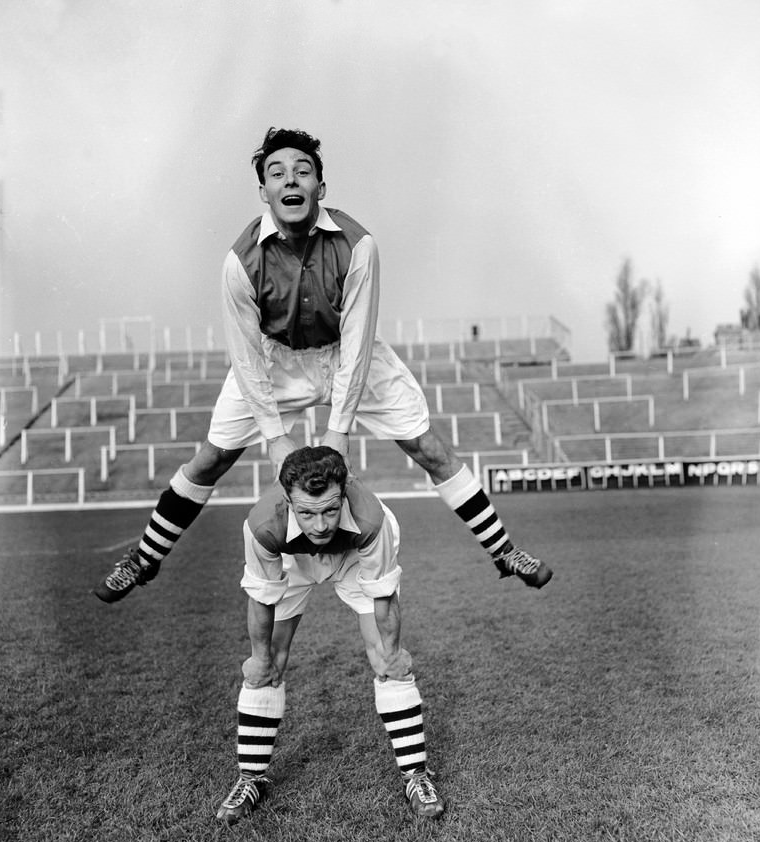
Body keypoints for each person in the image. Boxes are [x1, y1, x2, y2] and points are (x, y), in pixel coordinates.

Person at [94, 127, 553, 603]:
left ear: (320, 188)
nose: (290, 180)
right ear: (264, 193)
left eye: (302, 171)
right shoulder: (239, 261)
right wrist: (274, 436)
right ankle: (144, 559)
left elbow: (356, 345)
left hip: (345, 354)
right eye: (277, 173)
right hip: (274, 359)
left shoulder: (359, 246)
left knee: (430, 449)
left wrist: (339, 431)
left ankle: (504, 551)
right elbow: (246, 356)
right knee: (211, 458)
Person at [216, 445, 444, 825]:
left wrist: (392, 653)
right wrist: (258, 659)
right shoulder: (263, 526)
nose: (320, 525)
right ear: (288, 502)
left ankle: (416, 776)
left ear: (343, 494)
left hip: (355, 556)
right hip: (292, 558)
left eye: (329, 510)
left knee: (388, 661)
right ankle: (250, 779)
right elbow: (260, 599)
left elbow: (383, 598)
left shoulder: (372, 521)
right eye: (306, 512)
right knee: (266, 663)